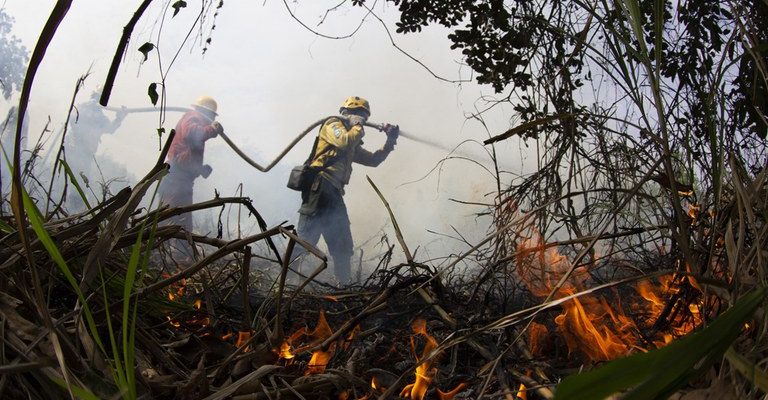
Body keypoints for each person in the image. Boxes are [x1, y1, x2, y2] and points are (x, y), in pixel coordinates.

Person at [297, 96, 399, 284]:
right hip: (319, 189)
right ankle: (283, 283)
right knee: (304, 242)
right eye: (357, 114)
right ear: (346, 113)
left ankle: (344, 286)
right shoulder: (332, 125)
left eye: (363, 116)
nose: (361, 119)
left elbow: (373, 161)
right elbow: (344, 141)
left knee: (342, 244)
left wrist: (390, 141)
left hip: (334, 193)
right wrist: (358, 126)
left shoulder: (351, 142)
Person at [158, 95, 223, 239]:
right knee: (179, 220)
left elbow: (187, 155)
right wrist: (212, 130)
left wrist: (200, 169)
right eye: (212, 115)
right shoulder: (193, 117)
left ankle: (162, 251)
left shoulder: (196, 119)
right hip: (176, 179)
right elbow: (192, 134)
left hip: (180, 178)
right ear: (206, 112)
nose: (212, 119)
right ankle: (182, 258)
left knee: (171, 218)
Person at [65, 87, 126, 210]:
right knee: (70, 179)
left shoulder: (99, 117)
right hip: (73, 149)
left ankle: (74, 210)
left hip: (86, 153)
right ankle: (68, 206)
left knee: (81, 182)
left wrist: (120, 117)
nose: (95, 100)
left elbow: (110, 128)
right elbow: (72, 119)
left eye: (98, 98)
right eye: (95, 97)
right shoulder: (83, 107)